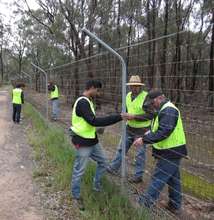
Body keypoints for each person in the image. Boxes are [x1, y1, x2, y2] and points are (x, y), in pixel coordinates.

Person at [70, 79, 124, 210]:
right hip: (82, 141)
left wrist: (97, 129)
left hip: (92, 140)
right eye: (98, 90)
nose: (98, 93)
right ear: (92, 88)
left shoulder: (88, 101)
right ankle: (76, 197)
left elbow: (88, 122)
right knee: (79, 170)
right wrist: (119, 116)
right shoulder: (83, 102)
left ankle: (97, 186)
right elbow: (92, 121)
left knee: (104, 162)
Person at [133, 90, 187, 215]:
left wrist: (144, 139)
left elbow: (164, 131)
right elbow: (159, 128)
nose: (152, 105)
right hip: (169, 150)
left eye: (153, 102)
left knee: (159, 177)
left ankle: (143, 204)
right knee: (173, 179)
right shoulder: (163, 110)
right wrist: (149, 133)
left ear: (159, 98)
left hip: (171, 151)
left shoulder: (169, 110)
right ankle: (175, 205)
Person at [107, 75, 153, 183]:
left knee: (139, 154)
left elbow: (151, 115)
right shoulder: (127, 96)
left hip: (142, 130)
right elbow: (127, 109)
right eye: (132, 86)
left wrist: (135, 117)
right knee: (121, 149)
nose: (134, 88)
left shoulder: (146, 97)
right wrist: (125, 115)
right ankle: (113, 168)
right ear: (129, 86)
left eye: (136, 86)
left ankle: (138, 176)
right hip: (129, 128)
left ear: (140, 86)